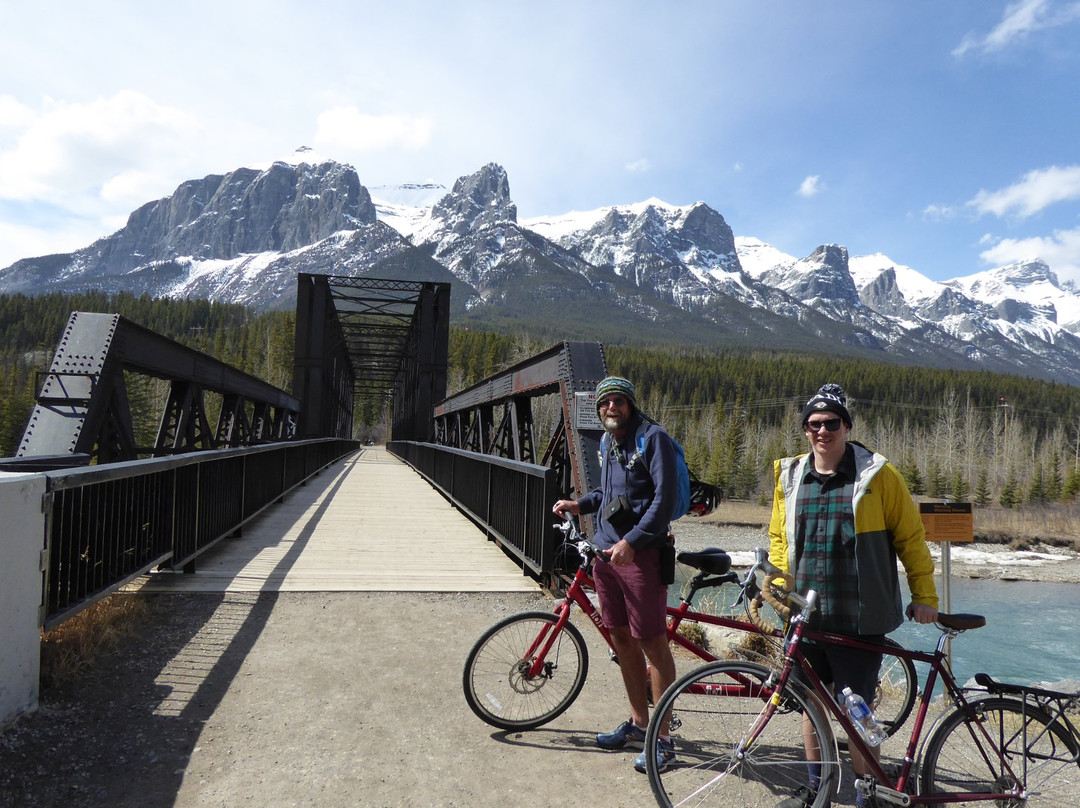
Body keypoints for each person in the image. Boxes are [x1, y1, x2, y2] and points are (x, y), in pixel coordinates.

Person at [769, 384, 939, 808]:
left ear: (846, 426)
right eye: (813, 424)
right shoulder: (790, 475)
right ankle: (817, 790)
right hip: (805, 615)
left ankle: (868, 798)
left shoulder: (878, 475)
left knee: (859, 714)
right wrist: (777, 583)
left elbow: (911, 538)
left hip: (858, 617)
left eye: (830, 423)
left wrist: (924, 594)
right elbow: (779, 537)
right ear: (805, 430)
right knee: (811, 707)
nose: (821, 431)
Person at [552, 376, 680, 774]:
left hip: (640, 557)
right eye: (605, 402)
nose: (611, 408)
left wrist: (634, 542)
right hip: (606, 555)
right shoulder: (608, 442)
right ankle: (640, 724)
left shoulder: (652, 438)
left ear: (630, 404)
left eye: (618, 402)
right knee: (621, 637)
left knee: (652, 643)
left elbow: (664, 502)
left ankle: (663, 740)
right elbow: (608, 496)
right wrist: (578, 504)